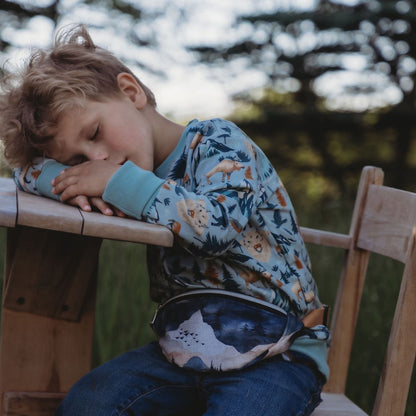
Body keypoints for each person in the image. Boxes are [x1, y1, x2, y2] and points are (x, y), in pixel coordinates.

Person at [0, 24, 330, 416]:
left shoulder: (219, 142)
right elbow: (26, 171)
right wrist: (79, 182)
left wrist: (119, 182)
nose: (98, 160)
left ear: (131, 91)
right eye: (76, 161)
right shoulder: (115, 173)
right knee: (86, 404)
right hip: (182, 352)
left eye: (95, 132)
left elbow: (217, 227)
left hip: (279, 354)